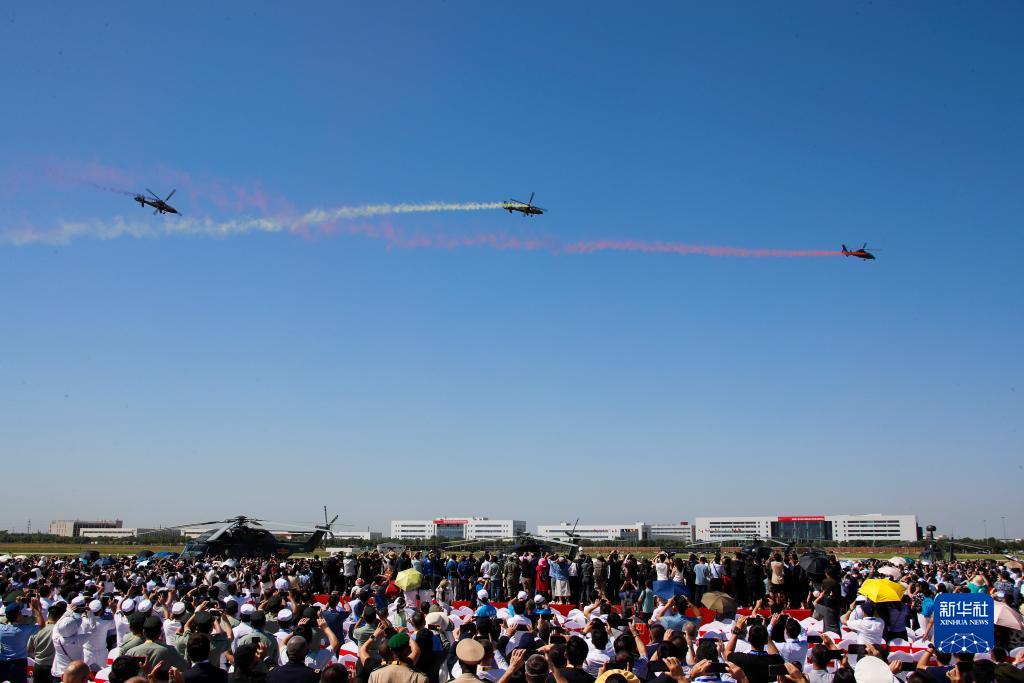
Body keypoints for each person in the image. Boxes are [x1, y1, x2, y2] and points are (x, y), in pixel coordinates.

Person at [724, 617, 784, 683]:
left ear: (749, 639)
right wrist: (764, 631)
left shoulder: (741, 659)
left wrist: (737, 629)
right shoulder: (775, 661)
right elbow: (775, 654)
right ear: (766, 640)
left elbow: (727, 652)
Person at [1, 598, 43, 683]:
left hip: (2, 664)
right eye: (20, 612)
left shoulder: (1, 629)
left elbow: (7, 621)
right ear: (18, 615)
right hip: (19, 665)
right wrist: (37, 610)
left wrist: (9, 616)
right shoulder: (23, 630)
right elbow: (42, 625)